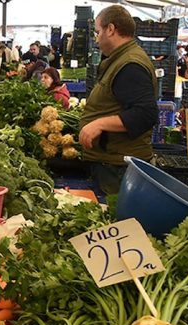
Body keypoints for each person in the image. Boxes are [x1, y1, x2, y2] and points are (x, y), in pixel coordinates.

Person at [78, 5, 158, 194]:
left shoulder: (130, 64)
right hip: (113, 162)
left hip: (118, 168)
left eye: (98, 32)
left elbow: (145, 114)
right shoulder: (120, 59)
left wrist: (99, 124)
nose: (96, 39)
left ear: (111, 29)